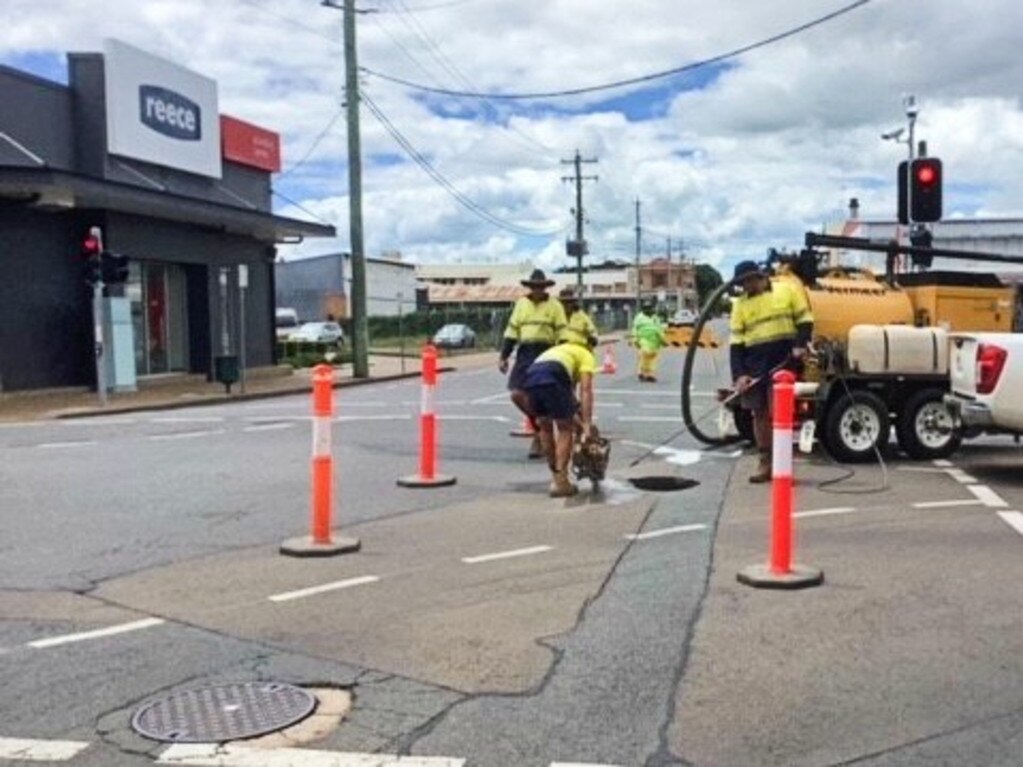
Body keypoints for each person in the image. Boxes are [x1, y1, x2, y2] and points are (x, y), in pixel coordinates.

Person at [729, 261, 814, 483]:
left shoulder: (787, 291)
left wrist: (800, 344)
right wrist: (739, 375)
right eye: (742, 283)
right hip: (754, 367)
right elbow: (736, 343)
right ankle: (765, 462)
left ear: (760, 276)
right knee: (759, 415)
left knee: (781, 415)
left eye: (749, 280)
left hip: (783, 364)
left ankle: (784, 466)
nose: (746, 286)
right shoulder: (740, 305)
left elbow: (805, 320)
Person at [499, 269, 568, 458]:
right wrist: (504, 356)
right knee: (517, 394)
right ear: (530, 287)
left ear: (546, 287)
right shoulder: (521, 304)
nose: (537, 289)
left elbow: (562, 333)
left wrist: (562, 357)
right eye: (534, 286)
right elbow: (512, 332)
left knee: (541, 394)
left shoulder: (555, 306)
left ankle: (541, 437)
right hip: (525, 353)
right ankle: (540, 425)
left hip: (546, 352)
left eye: (541, 286)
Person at [521, 337, 597, 497]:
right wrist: (587, 425)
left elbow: (568, 397)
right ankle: (560, 482)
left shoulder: (559, 352)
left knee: (545, 427)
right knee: (564, 429)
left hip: (531, 377)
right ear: (590, 347)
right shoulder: (586, 354)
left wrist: (580, 422)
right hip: (554, 375)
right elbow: (585, 389)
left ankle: (555, 477)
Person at [631, 301, 667, 382]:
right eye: (646, 309)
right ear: (643, 309)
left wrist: (663, 340)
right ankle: (642, 373)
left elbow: (659, 330)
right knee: (644, 355)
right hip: (644, 341)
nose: (648, 310)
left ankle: (650, 375)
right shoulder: (639, 317)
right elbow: (635, 329)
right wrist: (635, 339)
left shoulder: (655, 318)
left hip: (655, 343)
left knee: (652, 360)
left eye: (650, 308)